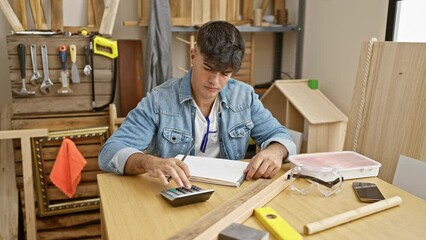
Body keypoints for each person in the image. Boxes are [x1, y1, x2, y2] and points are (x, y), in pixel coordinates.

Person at [99, 21, 296, 189]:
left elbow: (281, 136)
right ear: (193, 55)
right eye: (208, 68)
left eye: (225, 74)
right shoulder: (159, 100)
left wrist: (275, 151)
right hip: (176, 191)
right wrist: (148, 161)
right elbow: (109, 153)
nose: (215, 81)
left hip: (228, 193)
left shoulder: (245, 96)